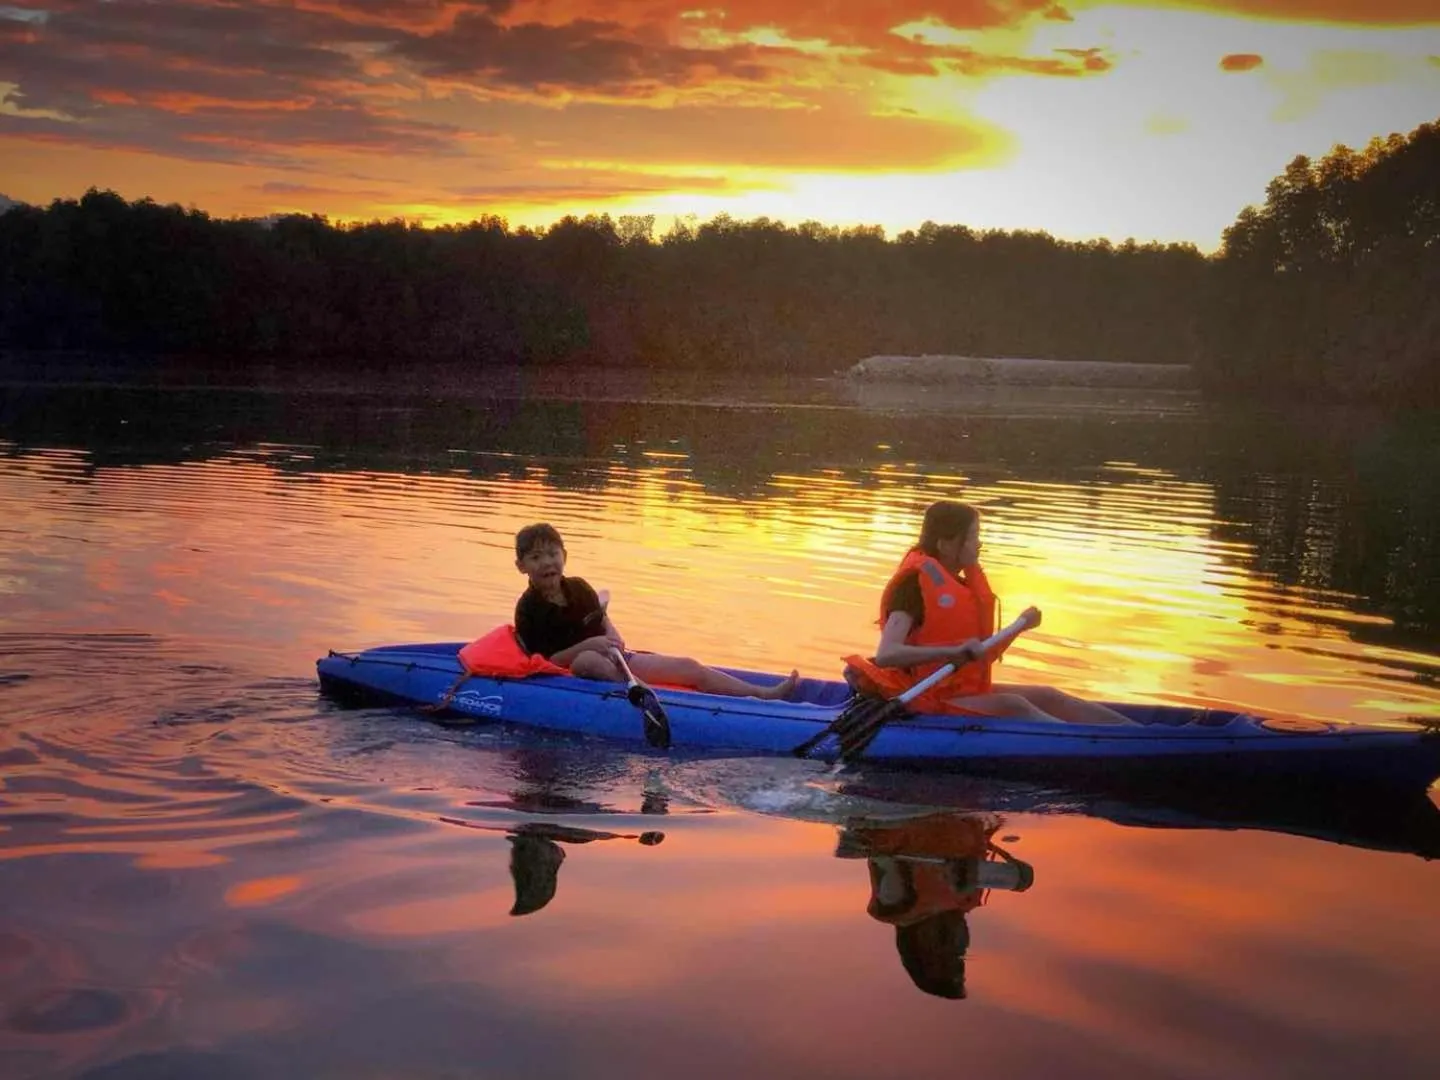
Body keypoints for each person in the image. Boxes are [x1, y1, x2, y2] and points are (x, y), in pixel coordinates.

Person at [843, 500, 1138, 725]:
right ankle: (1096, 746)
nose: (979, 544)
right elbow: (888, 654)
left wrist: (1020, 627)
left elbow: (980, 655)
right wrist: (953, 651)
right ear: (947, 544)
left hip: (956, 691)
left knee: (1047, 695)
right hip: (923, 696)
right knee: (1014, 705)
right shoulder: (912, 587)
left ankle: (1140, 733)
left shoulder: (961, 586)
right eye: (973, 536)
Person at [513, 522, 799, 700]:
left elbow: (602, 619)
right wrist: (589, 645)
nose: (547, 563)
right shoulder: (528, 609)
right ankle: (648, 696)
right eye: (536, 558)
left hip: (616, 658)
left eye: (553, 554)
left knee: (688, 666)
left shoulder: (579, 587)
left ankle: (763, 694)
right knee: (587, 659)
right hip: (575, 669)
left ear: (564, 556)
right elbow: (547, 660)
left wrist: (613, 636)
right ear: (522, 566)